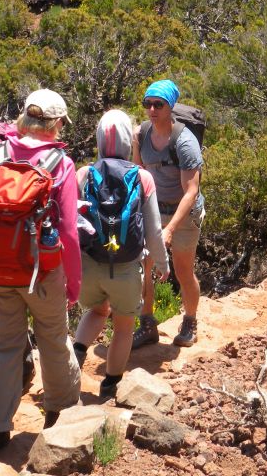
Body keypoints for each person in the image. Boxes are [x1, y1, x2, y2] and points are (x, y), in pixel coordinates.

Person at [0, 89, 80, 458]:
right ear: (56, 124)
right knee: (53, 336)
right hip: (41, 269)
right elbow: (68, 229)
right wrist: (74, 280)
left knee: (3, 345)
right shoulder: (59, 162)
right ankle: (60, 415)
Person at [72, 110, 169, 399]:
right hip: (126, 267)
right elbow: (153, 230)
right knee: (124, 326)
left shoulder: (84, 174)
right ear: (129, 141)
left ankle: (73, 360)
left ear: (100, 139)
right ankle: (109, 386)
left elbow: (71, 222)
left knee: (96, 310)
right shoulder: (142, 177)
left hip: (90, 263)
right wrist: (162, 263)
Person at [131, 80, 204, 349]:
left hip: (183, 215)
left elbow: (191, 191)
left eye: (158, 104)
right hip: (153, 210)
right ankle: (147, 323)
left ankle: (191, 320)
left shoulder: (185, 143)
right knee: (145, 268)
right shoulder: (141, 135)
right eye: (147, 104)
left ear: (169, 107)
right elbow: (138, 173)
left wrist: (170, 229)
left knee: (184, 271)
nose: (151, 109)